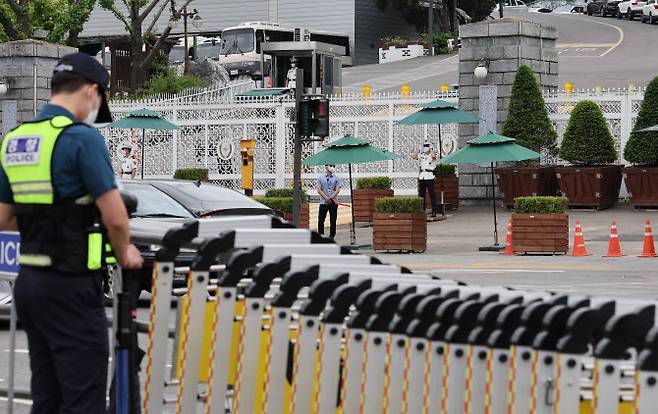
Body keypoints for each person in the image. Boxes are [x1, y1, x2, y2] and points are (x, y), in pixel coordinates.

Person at [0, 52, 144, 413]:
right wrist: (125, 251)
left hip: (30, 282)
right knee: (83, 395)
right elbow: (115, 217)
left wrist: (44, 221)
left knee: (46, 394)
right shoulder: (82, 139)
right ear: (92, 92)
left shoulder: (16, 139)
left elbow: (3, 219)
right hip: (70, 282)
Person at [412, 142, 438, 217]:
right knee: (421, 194)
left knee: (432, 195)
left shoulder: (432, 154)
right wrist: (418, 149)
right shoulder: (422, 155)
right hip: (422, 176)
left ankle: (434, 211)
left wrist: (431, 148)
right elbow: (414, 157)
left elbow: (433, 156)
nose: (426, 148)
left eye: (427, 147)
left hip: (430, 176)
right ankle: (422, 210)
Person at [316, 164, 341, 239]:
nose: (330, 167)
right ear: (326, 167)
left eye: (332, 166)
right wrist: (326, 198)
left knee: (333, 220)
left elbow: (337, 190)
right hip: (323, 202)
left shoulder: (337, 178)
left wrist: (331, 198)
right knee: (321, 220)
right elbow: (319, 190)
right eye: (329, 166)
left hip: (333, 202)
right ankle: (321, 235)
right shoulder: (320, 178)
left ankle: (332, 236)